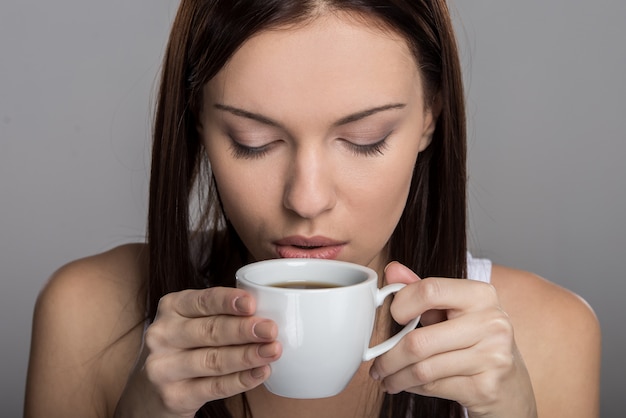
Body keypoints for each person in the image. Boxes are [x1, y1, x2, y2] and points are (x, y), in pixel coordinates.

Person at [24, 1, 601, 417]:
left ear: (430, 116)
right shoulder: (89, 315)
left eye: (365, 138)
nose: (306, 200)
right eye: (253, 141)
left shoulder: (548, 336)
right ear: (197, 121)